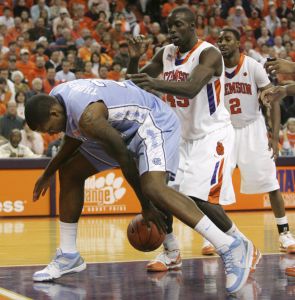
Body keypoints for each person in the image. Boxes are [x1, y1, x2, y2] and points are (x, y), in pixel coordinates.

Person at [25, 79, 254, 294]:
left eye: (48, 128)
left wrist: (145, 206)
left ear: (54, 113)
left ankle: (228, 245)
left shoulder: (89, 117)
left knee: (154, 188)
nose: (50, 134)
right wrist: (49, 171)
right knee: (70, 172)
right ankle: (68, 255)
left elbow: (124, 157)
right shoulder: (58, 99)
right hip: (118, 129)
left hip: (151, 122)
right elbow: (74, 136)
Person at [127, 6, 257, 268]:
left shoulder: (208, 53)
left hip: (212, 135)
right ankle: (172, 251)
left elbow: (191, 88)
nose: (172, 30)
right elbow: (135, 81)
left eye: (178, 25)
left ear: (192, 25)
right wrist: (133, 59)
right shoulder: (166, 53)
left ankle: (244, 245)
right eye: (169, 26)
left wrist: (155, 84)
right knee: (160, 193)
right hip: (179, 136)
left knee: (200, 199)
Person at [204, 28, 295, 254]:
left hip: (252, 128)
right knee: (214, 186)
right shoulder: (214, 69)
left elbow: (272, 100)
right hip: (224, 130)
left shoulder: (253, 67)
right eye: (219, 40)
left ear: (238, 42)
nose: (222, 43)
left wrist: (274, 135)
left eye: (227, 39)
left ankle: (284, 233)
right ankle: (213, 237)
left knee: (271, 184)